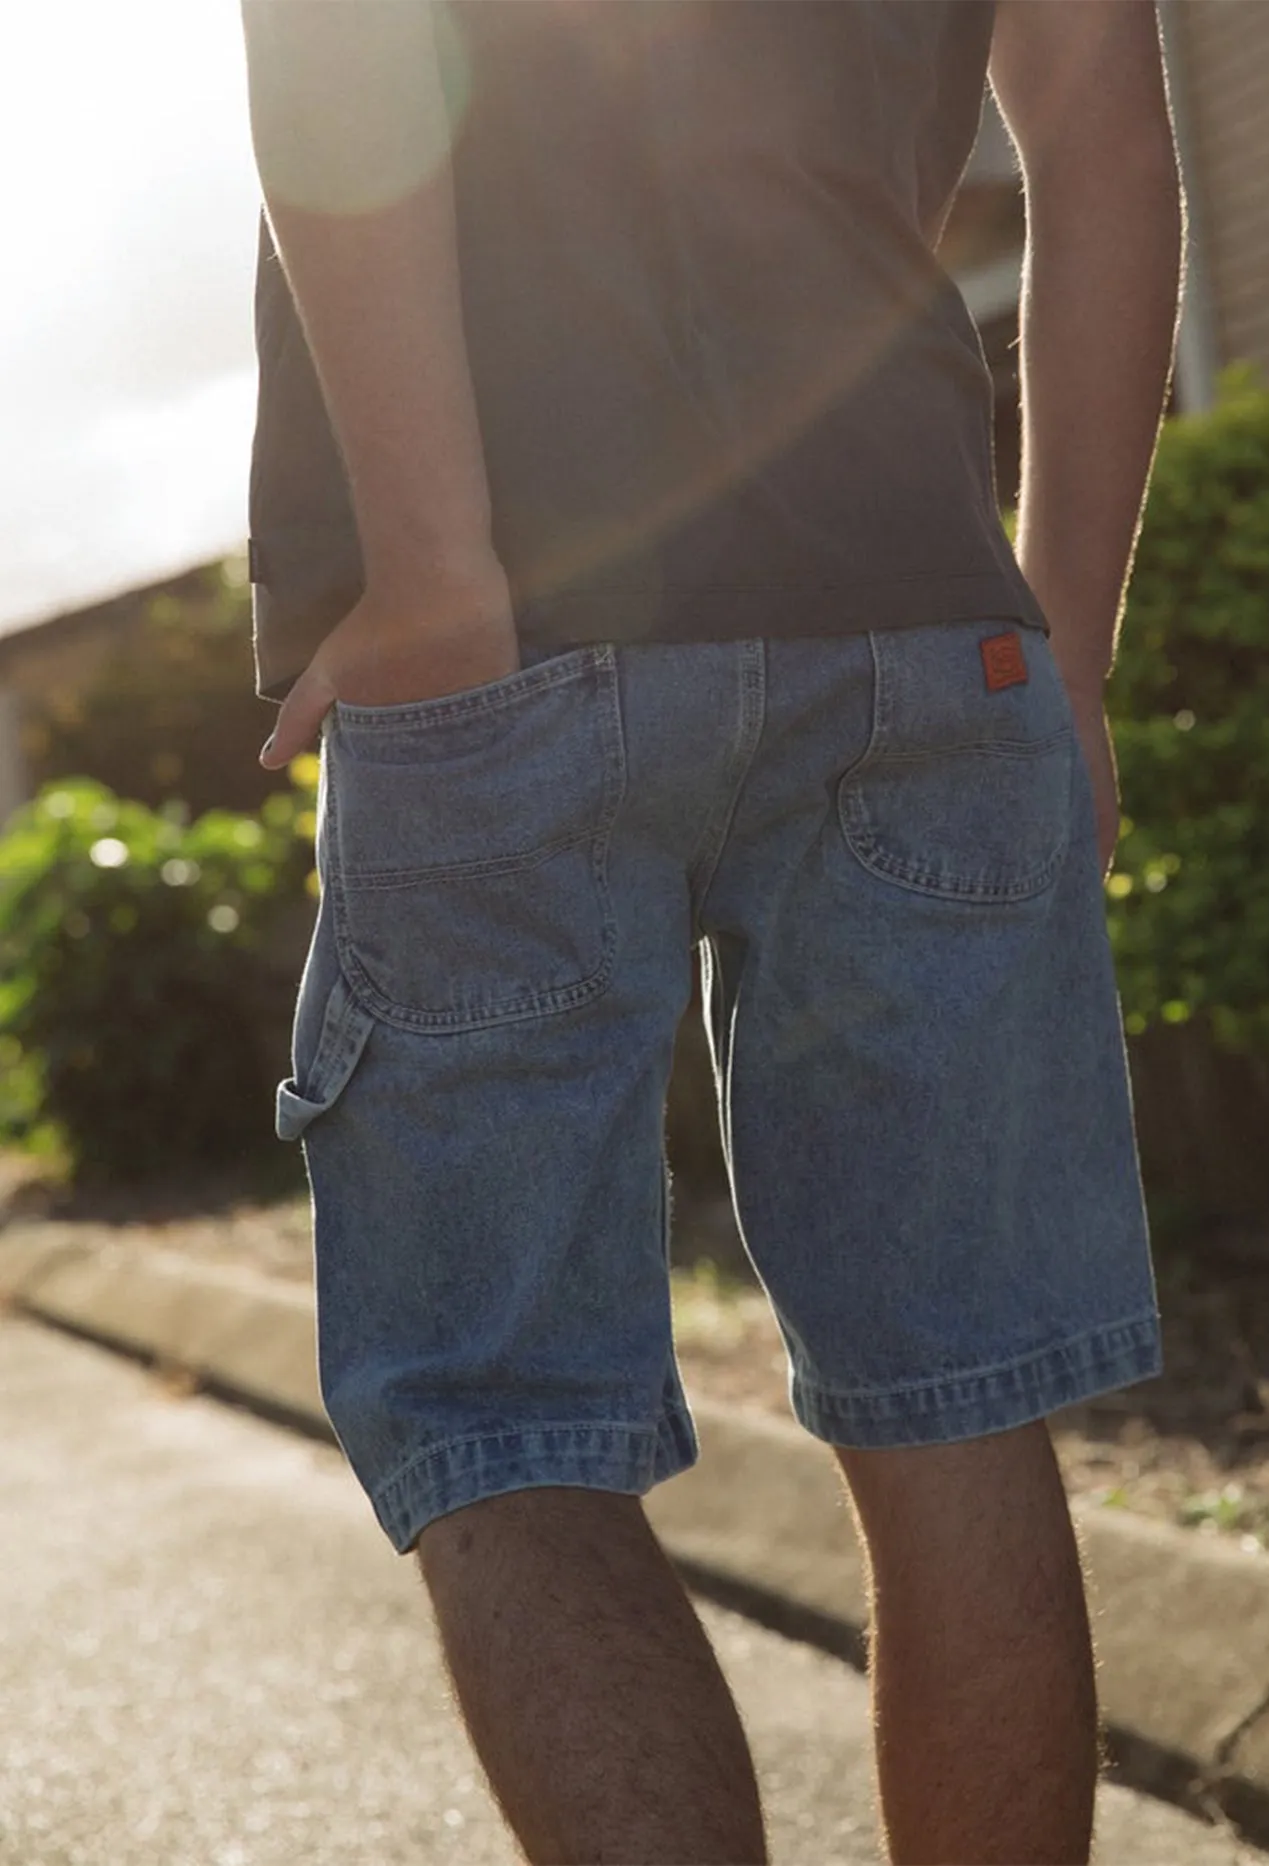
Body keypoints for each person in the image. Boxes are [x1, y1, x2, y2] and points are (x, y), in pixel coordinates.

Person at [239, 3, 1183, 1860]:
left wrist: (432, 560)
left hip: (512, 612)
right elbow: (1102, 125)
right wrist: (1065, 652)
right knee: (957, 1394)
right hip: (917, 609)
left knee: (508, 1419)